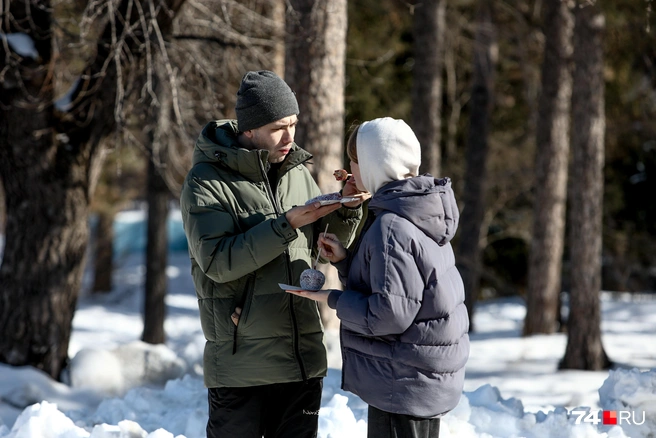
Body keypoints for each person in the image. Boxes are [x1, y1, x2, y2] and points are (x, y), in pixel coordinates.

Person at [179, 70, 363, 438]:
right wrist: (286, 224)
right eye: (279, 127)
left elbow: (320, 252)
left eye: (293, 124)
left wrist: (346, 209)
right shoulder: (206, 182)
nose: (290, 136)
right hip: (243, 367)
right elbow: (217, 262)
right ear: (249, 129)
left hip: (302, 362)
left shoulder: (297, 173)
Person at [286, 117, 470, 438]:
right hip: (421, 376)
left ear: (374, 164)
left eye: (355, 162)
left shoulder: (392, 226)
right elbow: (406, 288)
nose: (351, 171)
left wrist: (332, 298)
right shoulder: (420, 209)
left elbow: (389, 315)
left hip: (400, 382)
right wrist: (346, 261)